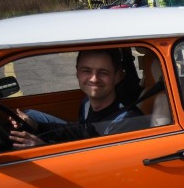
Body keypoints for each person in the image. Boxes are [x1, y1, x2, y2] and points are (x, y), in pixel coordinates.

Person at [9, 48, 143, 148]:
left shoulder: (126, 122)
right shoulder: (86, 104)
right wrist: (37, 125)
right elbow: (81, 132)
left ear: (117, 76)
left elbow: (97, 167)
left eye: (103, 72)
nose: (94, 79)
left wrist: (42, 147)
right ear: (77, 73)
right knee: (31, 115)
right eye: (86, 71)